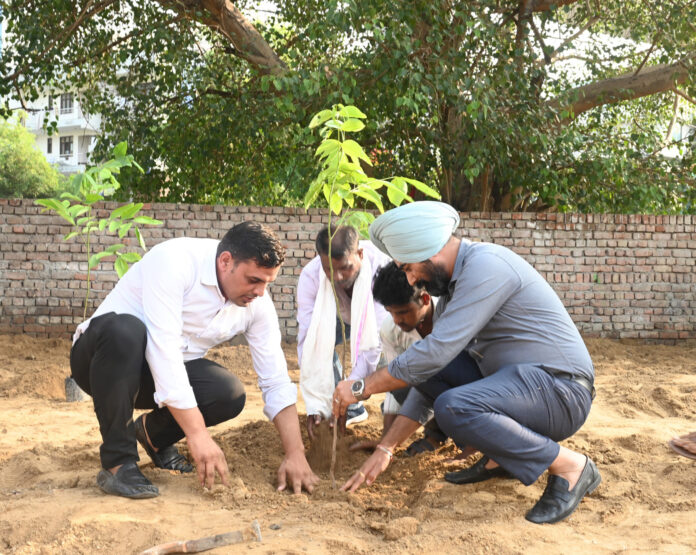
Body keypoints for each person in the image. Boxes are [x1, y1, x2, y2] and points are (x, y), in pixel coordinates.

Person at [332, 201, 600, 525]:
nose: (412, 279)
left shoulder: (486, 267)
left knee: (454, 407)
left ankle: (570, 466)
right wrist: (386, 447)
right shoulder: (455, 289)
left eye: (408, 267)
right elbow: (429, 370)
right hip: (524, 385)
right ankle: (500, 459)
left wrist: (361, 387)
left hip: (559, 390)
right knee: (428, 374)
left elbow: (434, 353)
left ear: (427, 252)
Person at [70, 221, 319, 499]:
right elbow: (163, 348)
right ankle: (118, 463)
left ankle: (153, 437)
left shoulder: (257, 305)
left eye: (267, 283)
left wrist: (296, 454)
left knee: (227, 393)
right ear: (226, 261)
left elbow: (275, 380)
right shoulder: (175, 262)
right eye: (254, 280)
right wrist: (197, 434)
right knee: (126, 331)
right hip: (100, 361)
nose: (261, 292)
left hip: (153, 378)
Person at [296, 225, 390, 441]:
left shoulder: (380, 269)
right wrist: (317, 404)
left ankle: (393, 413)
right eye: (328, 269)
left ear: (360, 254)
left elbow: (374, 342)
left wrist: (351, 390)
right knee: (317, 342)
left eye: (345, 268)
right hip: (336, 319)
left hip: (375, 325)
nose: (336, 277)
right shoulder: (311, 277)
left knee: (392, 354)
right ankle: (340, 407)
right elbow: (308, 342)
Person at [366, 261, 448, 455]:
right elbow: (395, 384)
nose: (396, 320)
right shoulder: (391, 330)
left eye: (402, 312)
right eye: (390, 312)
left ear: (425, 299)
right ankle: (434, 433)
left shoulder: (450, 316)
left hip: (460, 388)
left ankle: (452, 441)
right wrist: (385, 440)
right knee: (400, 380)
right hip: (428, 391)